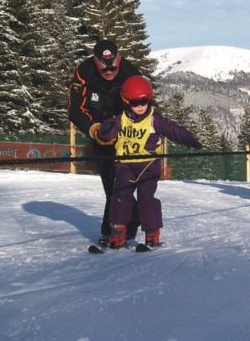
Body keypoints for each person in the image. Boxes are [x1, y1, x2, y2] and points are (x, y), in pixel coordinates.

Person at [93, 75, 202, 249]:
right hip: (125, 166)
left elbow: (173, 130)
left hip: (148, 166)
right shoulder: (121, 119)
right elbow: (106, 133)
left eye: (144, 102)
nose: (140, 106)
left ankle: (152, 234)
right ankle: (117, 233)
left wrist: (190, 140)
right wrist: (104, 130)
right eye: (135, 103)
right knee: (120, 197)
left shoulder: (154, 119)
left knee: (146, 198)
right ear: (126, 102)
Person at [68, 39, 141, 245]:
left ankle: (117, 228)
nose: (109, 73)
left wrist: (127, 129)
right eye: (104, 70)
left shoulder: (131, 73)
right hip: (99, 133)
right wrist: (93, 129)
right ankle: (120, 227)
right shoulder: (83, 71)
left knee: (123, 184)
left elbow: (143, 106)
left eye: (113, 69)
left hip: (129, 136)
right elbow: (75, 109)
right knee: (112, 184)